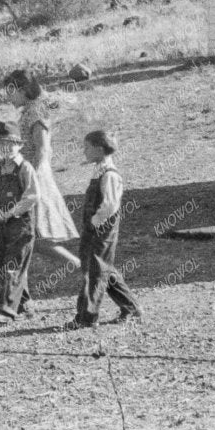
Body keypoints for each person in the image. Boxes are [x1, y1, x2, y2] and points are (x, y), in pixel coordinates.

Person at [9, 68, 81, 304]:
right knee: (25, 239)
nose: (8, 97)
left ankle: (85, 269)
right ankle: (21, 297)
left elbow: (43, 149)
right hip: (28, 177)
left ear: (21, 89)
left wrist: (34, 179)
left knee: (34, 239)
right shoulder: (30, 111)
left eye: (10, 91)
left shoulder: (36, 111)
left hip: (36, 179)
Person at [71, 126, 142, 328]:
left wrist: (94, 222)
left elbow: (110, 205)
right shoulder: (98, 171)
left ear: (100, 149)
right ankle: (131, 306)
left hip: (102, 231)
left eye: (87, 147)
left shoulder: (110, 175)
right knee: (104, 270)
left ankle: (86, 316)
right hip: (92, 229)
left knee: (94, 273)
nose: (84, 151)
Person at [0, 120, 38, 325]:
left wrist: (11, 213)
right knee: (2, 265)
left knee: (13, 266)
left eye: (10, 143)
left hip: (21, 224)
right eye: (1, 144)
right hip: (0, 225)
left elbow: (32, 196)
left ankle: (5, 311)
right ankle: (25, 304)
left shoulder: (25, 168)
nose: (5, 148)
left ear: (20, 145)